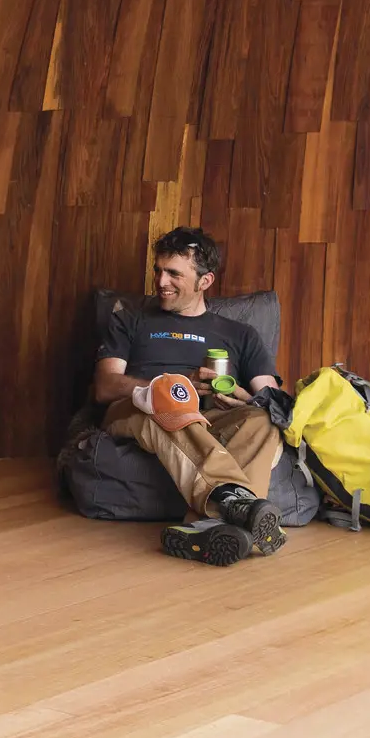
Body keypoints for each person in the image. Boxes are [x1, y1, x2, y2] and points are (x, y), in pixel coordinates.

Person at [94, 226, 291, 566]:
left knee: (263, 422)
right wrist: (168, 384)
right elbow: (104, 386)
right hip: (142, 409)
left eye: (174, 273)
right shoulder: (130, 320)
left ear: (205, 281)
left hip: (212, 415)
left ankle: (207, 528)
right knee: (168, 399)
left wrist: (243, 397)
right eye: (158, 270)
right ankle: (234, 502)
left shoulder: (240, 334)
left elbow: (272, 400)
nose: (160, 282)